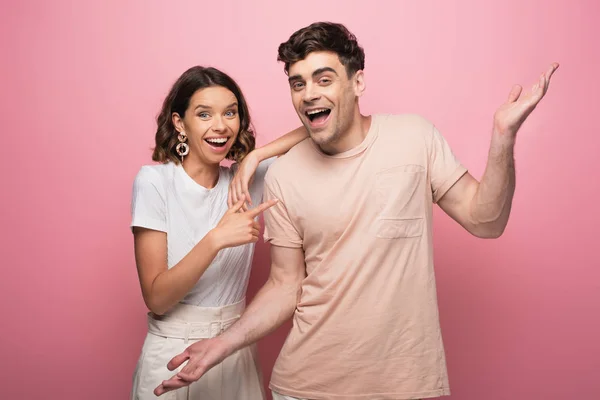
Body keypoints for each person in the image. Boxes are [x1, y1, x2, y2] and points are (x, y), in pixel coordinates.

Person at [154, 22, 559, 400]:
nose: (309, 93)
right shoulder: (284, 176)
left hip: (407, 385)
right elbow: (284, 284)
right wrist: (221, 344)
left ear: (358, 81)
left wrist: (503, 138)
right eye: (298, 83)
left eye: (324, 79)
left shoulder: (415, 139)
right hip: (303, 387)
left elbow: (486, 221)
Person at [129, 65, 307, 400]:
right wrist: (216, 239)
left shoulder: (244, 180)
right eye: (204, 114)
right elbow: (157, 298)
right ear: (179, 123)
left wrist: (258, 156)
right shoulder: (155, 182)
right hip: (173, 355)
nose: (221, 126)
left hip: (233, 349)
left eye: (230, 113)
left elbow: (318, 127)